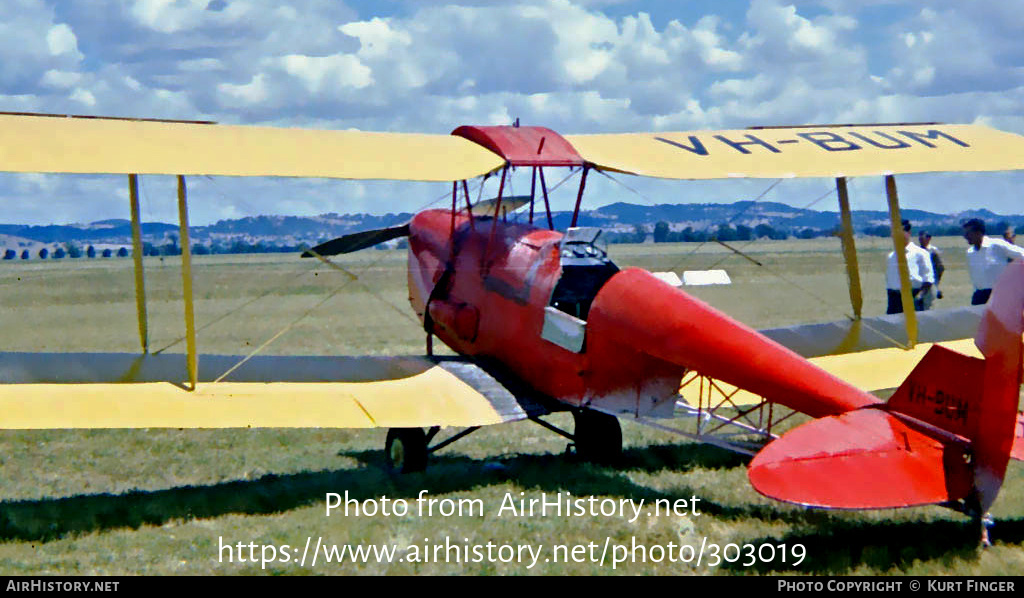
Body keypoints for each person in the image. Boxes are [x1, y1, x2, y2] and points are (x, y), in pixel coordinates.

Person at [963, 218, 1024, 305]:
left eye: (968, 233)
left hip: (1001, 294)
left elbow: (1021, 254)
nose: (965, 236)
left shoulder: (997, 245)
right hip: (980, 296)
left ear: (978, 232)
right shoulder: (970, 252)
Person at [886, 220, 935, 314]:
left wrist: (918, 298)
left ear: (908, 233)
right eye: (893, 233)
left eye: (900, 232)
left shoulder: (920, 253)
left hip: (913, 296)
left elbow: (928, 279)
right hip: (894, 299)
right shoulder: (891, 256)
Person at [918, 230, 944, 304]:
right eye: (920, 239)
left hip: (932, 279)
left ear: (928, 238)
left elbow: (940, 267)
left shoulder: (933, 251)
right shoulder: (918, 251)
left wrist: (936, 281)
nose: (920, 240)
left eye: (922, 238)